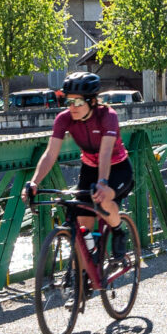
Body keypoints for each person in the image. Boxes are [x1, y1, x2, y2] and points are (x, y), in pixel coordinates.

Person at [29, 71, 133, 252]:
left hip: (117, 168)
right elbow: (50, 154)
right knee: (83, 229)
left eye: (78, 102)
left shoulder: (107, 116)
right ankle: (89, 259)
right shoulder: (64, 119)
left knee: (104, 200)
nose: (72, 107)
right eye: (68, 101)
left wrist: (102, 182)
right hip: (89, 168)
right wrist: (34, 182)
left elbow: (106, 152)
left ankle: (118, 231)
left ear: (92, 101)